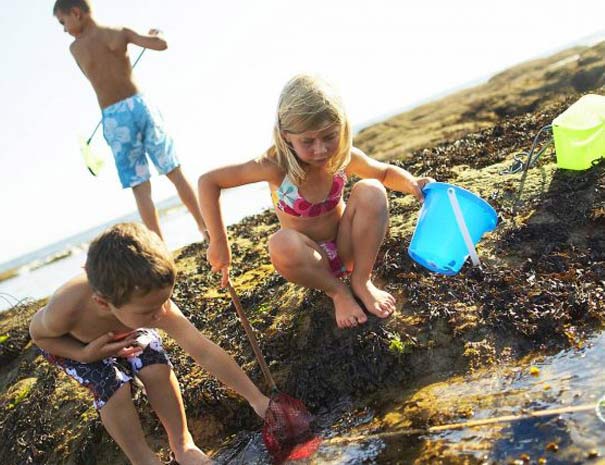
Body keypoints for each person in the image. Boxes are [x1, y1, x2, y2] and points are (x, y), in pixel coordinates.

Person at [198, 74, 434, 329]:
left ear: (342, 127)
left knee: (371, 189)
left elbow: (385, 173)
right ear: (287, 136)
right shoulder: (274, 166)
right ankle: (337, 292)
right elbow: (209, 182)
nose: (320, 149)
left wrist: (413, 184)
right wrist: (219, 242)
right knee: (281, 242)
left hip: (348, 248)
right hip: (309, 261)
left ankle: (361, 280)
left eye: (329, 137)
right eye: (308, 141)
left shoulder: (343, 158)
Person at [29, 223, 269, 465]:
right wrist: (84, 353)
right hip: (77, 348)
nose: (160, 314)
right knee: (113, 386)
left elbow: (202, 349)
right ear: (103, 303)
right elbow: (40, 336)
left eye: (165, 300)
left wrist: (256, 398)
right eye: (149, 311)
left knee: (155, 365)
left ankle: (183, 445)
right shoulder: (67, 307)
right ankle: (143, 459)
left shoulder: (150, 304)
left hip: (127, 330)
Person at [53, 0, 206, 240]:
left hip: (115, 118)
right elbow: (160, 45)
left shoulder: (76, 49)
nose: (63, 29)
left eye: (63, 22)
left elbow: (92, 75)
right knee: (173, 170)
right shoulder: (119, 32)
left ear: (76, 13)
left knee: (139, 185)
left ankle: (159, 246)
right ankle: (204, 226)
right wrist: (157, 34)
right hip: (139, 106)